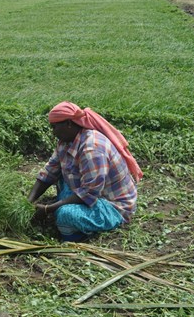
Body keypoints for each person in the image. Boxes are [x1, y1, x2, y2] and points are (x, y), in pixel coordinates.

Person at [28, 102, 143, 242]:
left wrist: (48, 209)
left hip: (112, 205)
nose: (53, 132)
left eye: (55, 127)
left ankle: (76, 237)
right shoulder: (66, 141)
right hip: (93, 192)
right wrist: (28, 201)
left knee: (65, 215)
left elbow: (89, 193)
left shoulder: (92, 149)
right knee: (62, 175)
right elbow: (49, 172)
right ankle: (69, 215)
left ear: (69, 124)